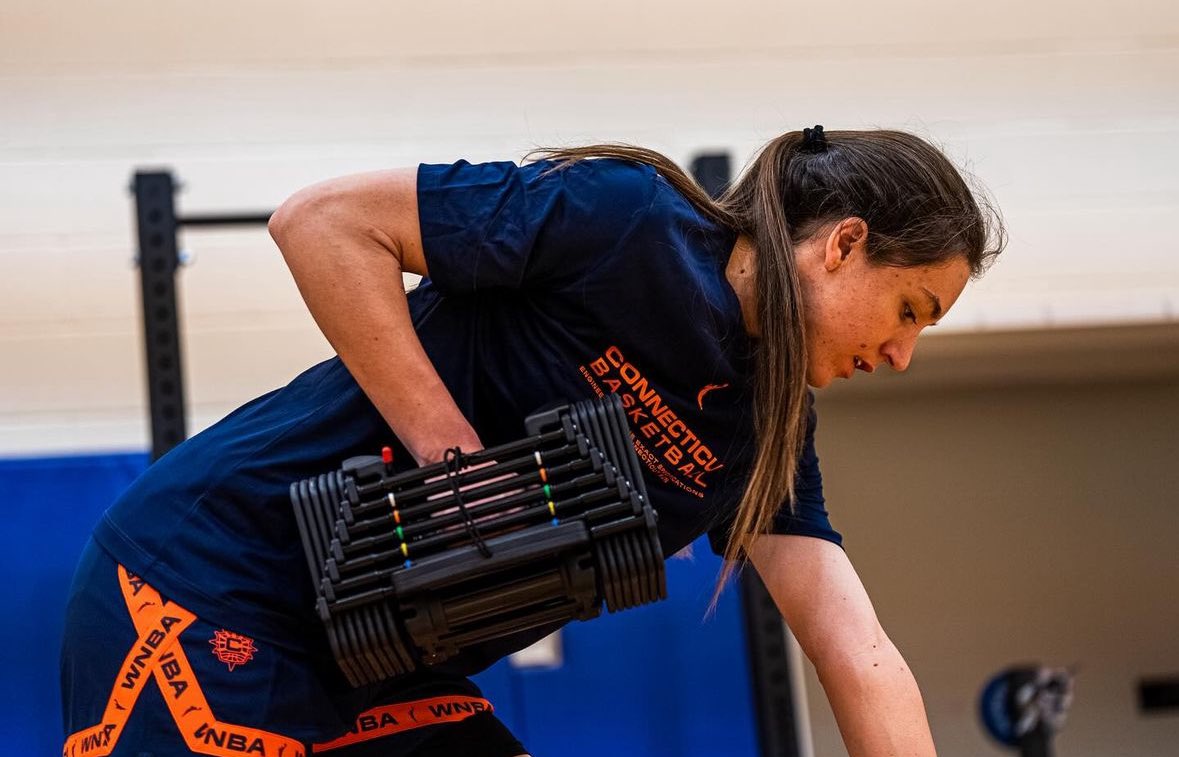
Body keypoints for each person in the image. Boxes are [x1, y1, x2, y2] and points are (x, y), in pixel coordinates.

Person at [61, 125, 1003, 757]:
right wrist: (452, 457)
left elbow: (856, 648)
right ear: (841, 245)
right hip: (207, 575)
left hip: (382, 665)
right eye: (907, 308)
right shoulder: (628, 221)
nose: (901, 353)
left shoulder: (764, 429)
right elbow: (321, 223)